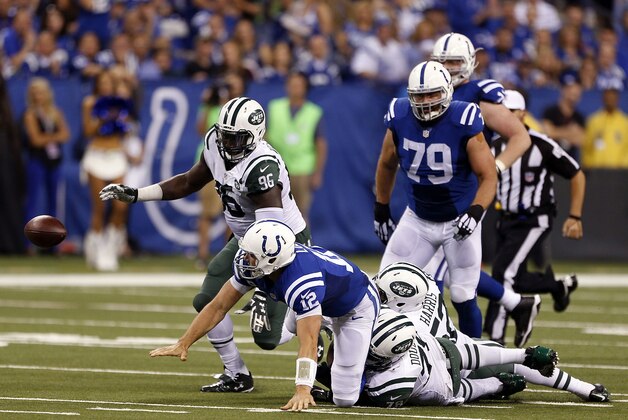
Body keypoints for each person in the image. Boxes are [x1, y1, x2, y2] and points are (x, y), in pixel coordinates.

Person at [100, 97, 310, 393]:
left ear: (256, 135)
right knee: (207, 301)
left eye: (237, 138)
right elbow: (188, 182)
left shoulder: (262, 167)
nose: (228, 142)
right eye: (225, 134)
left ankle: (320, 317)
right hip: (247, 240)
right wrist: (136, 194)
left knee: (268, 339)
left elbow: (271, 232)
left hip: (281, 246)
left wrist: (262, 283)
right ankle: (236, 373)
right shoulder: (215, 140)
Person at [149, 219, 380, 410]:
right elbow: (218, 306)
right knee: (278, 333)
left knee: (345, 399)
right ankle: (330, 343)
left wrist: (302, 390)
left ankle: (373, 361)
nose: (245, 258)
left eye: (252, 254)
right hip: (319, 301)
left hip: (355, 308)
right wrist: (184, 343)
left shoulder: (301, 281)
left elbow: (308, 341)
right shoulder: (260, 267)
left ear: (272, 260)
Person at [351, 262, 609, 406]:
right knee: (514, 361)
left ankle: (498, 385)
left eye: (383, 294)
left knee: (469, 382)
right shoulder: (427, 287)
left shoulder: (406, 328)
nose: (377, 295)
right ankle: (585, 389)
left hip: (445, 363)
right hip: (459, 344)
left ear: (399, 303)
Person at [374, 60, 497, 338]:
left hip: (458, 222)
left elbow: (489, 175)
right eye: (419, 95)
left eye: (432, 94)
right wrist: (381, 207)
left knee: (464, 296)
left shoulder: (463, 118)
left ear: (447, 91)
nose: (426, 102)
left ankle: (472, 361)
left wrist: (475, 212)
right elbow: (386, 164)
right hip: (418, 219)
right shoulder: (399, 115)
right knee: (386, 290)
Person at [484, 90, 586, 344]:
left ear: (523, 114)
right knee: (512, 277)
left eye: (511, 112)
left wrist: (575, 215)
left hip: (534, 220)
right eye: (501, 112)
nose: (504, 117)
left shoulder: (540, 144)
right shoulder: (493, 145)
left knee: (503, 274)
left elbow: (576, 174)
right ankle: (556, 286)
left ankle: (494, 338)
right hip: (504, 220)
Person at [81, 70, 132, 271]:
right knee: (100, 206)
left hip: (116, 156)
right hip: (96, 155)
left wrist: (120, 118)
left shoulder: (120, 103)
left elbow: (126, 129)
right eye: (102, 82)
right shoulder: (90, 102)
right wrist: (102, 118)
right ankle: (94, 247)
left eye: (109, 82)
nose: (105, 86)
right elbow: (86, 131)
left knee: (121, 205)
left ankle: (110, 248)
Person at [266, 72, 327, 223]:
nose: (295, 89)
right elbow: (264, 135)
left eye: (299, 85)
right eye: (292, 85)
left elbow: (320, 143)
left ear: (305, 88)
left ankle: (301, 245)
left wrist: (318, 172)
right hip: (277, 168)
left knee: (300, 212)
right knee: (274, 211)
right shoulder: (274, 107)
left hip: (302, 169)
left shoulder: (314, 112)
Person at [22, 78, 70, 235]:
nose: (38, 96)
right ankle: (28, 243)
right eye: (35, 93)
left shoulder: (56, 113)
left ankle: (53, 241)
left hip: (54, 161)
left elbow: (66, 134)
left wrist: (47, 137)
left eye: (41, 92)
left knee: (54, 202)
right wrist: (54, 136)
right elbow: (35, 140)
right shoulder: (30, 114)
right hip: (37, 160)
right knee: (32, 201)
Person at [582, 78, 628, 168]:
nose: (610, 97)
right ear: (603, 96)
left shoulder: (625, 122)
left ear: (617, 97)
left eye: (613, 94)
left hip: (620, 173)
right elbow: (587, 148)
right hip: (596, 173)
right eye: (607, 94)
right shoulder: (593, 121)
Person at [541, 71, 585, 162]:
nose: (574, 91)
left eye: (576, 89)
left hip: (571, 164)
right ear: (563, 90)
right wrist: (569, 132)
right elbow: (547, 133)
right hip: (551, 163)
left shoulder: (579, 117)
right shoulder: (550, 112)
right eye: (569, 88)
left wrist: (555, 131)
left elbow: (581, 139)